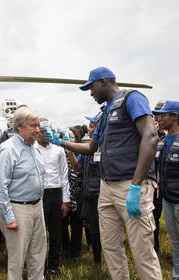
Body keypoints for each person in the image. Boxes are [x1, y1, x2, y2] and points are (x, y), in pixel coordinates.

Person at [44, 67, 162, 279]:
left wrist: (136, 185)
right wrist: (61, 142)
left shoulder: (132, 98)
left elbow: (151, 136)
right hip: (106, 186)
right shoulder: (104, 113)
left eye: (91, 88)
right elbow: (91, 148)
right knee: (110, 246)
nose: (90, 93)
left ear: (104, 82)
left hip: (130, 184)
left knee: (141, 249)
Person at [0, 106, 46, 280]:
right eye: (33, 126)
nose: (38, 130)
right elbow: (0, 186)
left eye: (38, 125)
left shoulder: (35, 146)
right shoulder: (8, 149)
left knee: (38, 253)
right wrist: (9, 217)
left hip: (37, 206)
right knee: (17, 259)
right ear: (20, 127)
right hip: (18, 209)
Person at [66, 114, 102, 277]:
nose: (90, 129)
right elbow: (77, 167)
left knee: (107, 232)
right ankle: (97, 262)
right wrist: (69, 151)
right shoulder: (88, 146)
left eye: (93, 126)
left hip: (103, 195)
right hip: (89, 195)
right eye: (89, 126)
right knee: (93, 230)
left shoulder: (107, 146)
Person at [37, 119, 70, 276]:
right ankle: (40, 267)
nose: (44, 134)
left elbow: (64, 175)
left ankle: (53, 265)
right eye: (41, 131)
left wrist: (65, 200)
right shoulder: (32, 149)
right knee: (39, 234)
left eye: (46, 131)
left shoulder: (58, 149)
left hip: (56, 194)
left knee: (56, 232)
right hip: (40, 195)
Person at [153, 101, 179, 280]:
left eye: (164, 115)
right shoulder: (161, 142)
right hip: (167, 200)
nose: (159, 118)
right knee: (175, 241)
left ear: (175, 116)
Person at [61, 127, 84, 261]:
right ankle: (64, 249)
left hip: (76, 194)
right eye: (65, 138)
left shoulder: (80, 153)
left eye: (71, 137)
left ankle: (75, 252)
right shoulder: (58, 153)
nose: (68, 140)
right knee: (62, 224)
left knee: (76, 224)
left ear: (76, 139)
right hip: (62, 194)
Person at [152, 100, 166, 253]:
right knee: (153, 217)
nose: (157, 115)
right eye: (155, 112)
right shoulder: (153, 132)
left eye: (161, 111)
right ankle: (154, 247)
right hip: (154, 185)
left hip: (170, 184)